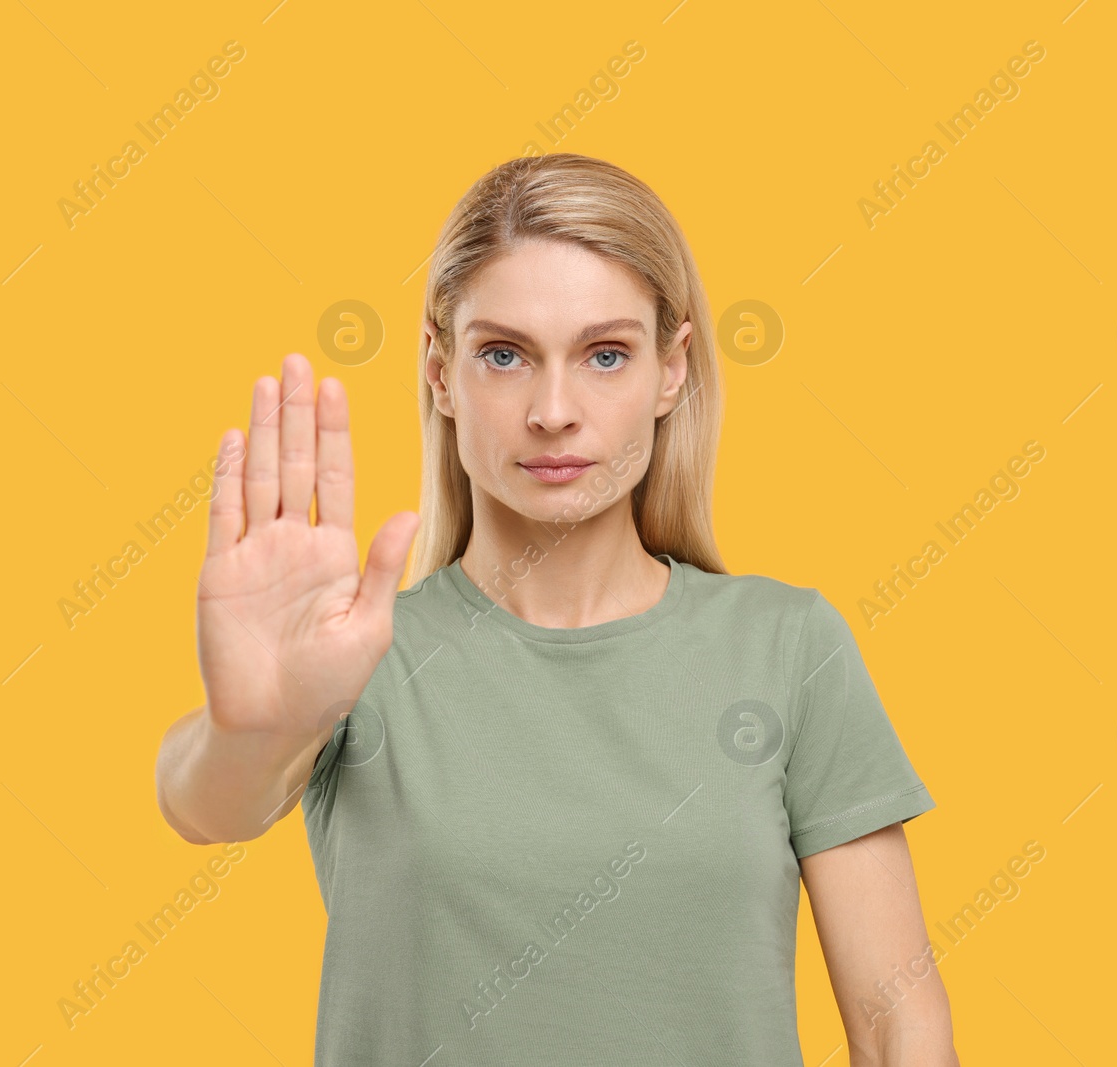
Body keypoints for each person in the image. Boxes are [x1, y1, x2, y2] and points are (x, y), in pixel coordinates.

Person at [155, 153, 958, 1066]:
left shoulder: (786, 644)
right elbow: (204, 806)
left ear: (671, 370)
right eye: (504, 354)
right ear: (441, 372)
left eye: (605, 354)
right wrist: (251, 727)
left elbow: (899, 1024)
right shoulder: (358, 651)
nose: (553, 410)